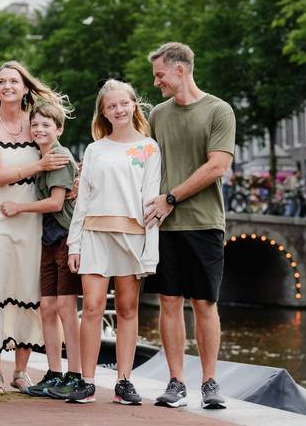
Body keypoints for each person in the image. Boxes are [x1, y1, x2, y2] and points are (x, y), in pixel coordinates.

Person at [0, 61, 70, 396]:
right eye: (1, 82)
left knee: (28, 288)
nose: (7, 86)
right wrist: (38, 164)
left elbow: (58, 160)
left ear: (25, 88)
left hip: (29, 214)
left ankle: (21, 370)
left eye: (14, 81)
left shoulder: (36, 124)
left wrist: (73, 182)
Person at [143, 42, 235, 410]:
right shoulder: (157, 116)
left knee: (204, 303)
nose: (156, 82)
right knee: (168, 301)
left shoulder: (218, 110)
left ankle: (210, 383)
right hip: (163, 225)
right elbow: (141, 161)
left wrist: (170, 198)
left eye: (160, 74)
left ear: (181, 70)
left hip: (204, 223)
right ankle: (176, 382)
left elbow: (217, 166)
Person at [64, 79, 161, 405]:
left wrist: (151, 251)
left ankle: (124, 381)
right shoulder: (94, 150)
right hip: (94, 235)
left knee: (126, 308)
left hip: (132, 237)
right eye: (111, 106)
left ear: (134, 104)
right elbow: (84, 200)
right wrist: (73, 245)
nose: (119, 110)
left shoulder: (149, 148)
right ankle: (87, 381)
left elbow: (150, 203)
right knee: (91, 307)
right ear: (103, 113)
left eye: (124, 103)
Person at [0, 101, 84, 398]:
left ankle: (75, 375)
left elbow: (56, 204)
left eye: (46, 125)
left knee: (65, 308)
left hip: (64, 238)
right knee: (46, 307)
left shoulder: (59, 156)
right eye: (35, 125)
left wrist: (19, 207)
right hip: (48, 241)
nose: (39, 129)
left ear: (58, 129)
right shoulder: (42, 157)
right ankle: (54, 372)